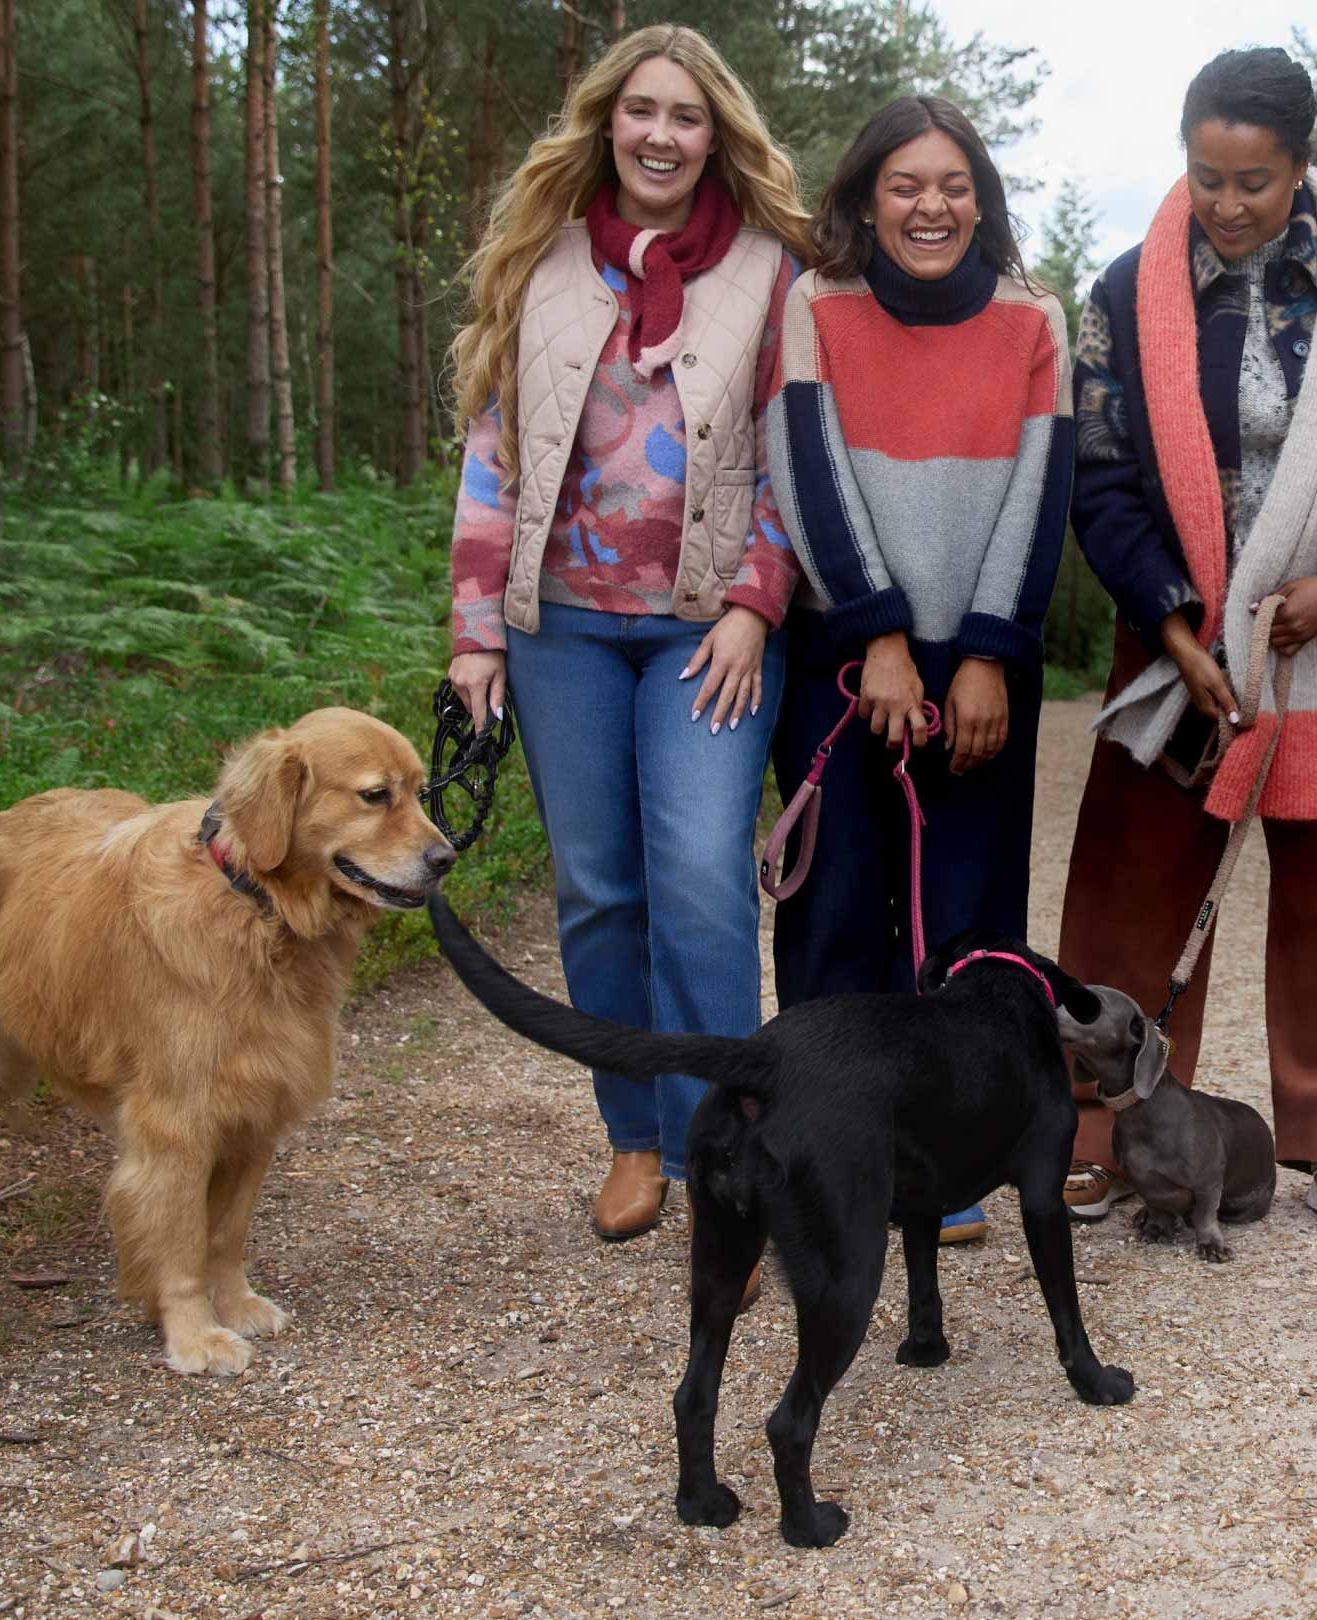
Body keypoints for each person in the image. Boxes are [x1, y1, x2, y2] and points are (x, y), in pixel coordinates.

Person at [1058, 47, 1317, 1244]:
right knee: (1132, 876)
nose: (1229, 205)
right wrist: (1180, 622)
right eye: (1207, 177)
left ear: (1300, 168)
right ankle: (1097, 1127)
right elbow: (1097, 474)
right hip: (1177, 633)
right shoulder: (1123, 293)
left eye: (1255, 181)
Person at [444, 24, 810, 1244]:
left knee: (703, 883)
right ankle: (637, 1137)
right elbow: (493, 454)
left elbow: (794, 458)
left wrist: (762, 600)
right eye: (641, 110)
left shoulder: (772, 271)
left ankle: (732, 1163)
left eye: (687, 116)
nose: (661, 134)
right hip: (563, 633)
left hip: (708, 632)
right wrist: (475, 634)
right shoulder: (539, 261)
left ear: (719, 138)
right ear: (608, 120)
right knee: (598, 891)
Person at [764, 97, 1073, 1246]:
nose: (930, 206)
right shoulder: (819, 308)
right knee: (840, 904)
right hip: (850, 659)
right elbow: (810, 473)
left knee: (969, 919)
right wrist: (876, 630)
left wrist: (991, 650)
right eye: (906, 185)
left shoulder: (1033, 320)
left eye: (952, 186)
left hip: (983, 660)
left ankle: (944, 1173)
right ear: (867, 197)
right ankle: (824, 1149)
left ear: (981, 199)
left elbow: (1042, 498)